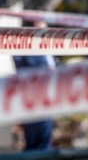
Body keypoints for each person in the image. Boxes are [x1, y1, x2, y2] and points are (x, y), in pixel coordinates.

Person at [13, 20, 56, 151]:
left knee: (43, 143)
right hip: (34, 104)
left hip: (49, 104)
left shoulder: (48, 51)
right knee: (35, 146)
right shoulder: (28, 53)